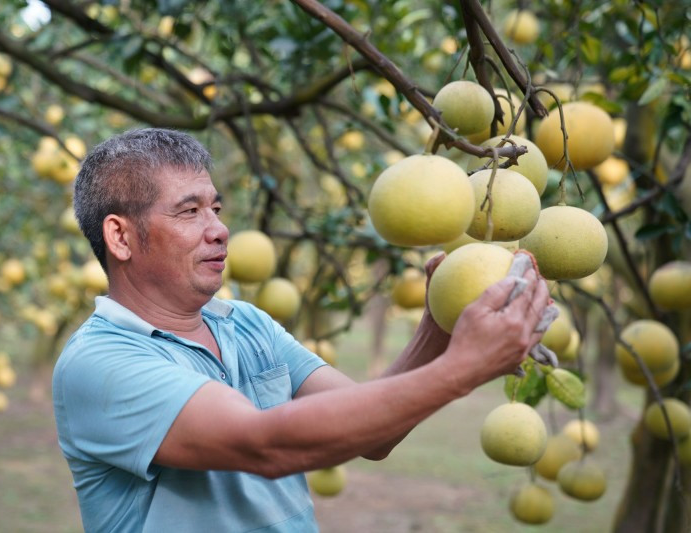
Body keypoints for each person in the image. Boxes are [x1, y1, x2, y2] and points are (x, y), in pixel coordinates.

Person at [52, 128, 550, 532]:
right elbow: (265, 445)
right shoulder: (100, 364)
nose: (220, 229)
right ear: (119, 236)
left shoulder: (245, 323)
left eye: (216, 209)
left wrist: (439, 324)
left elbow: (372, 434)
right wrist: (464, 368)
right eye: (189, 211)